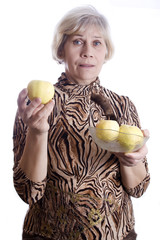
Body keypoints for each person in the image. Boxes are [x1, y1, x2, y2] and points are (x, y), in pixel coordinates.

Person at [13, 5, 150, 240]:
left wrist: (131, 159)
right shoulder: (37, 106)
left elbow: (138, 188)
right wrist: (37, 131)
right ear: (61, 49)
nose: (88, 51)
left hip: (117, 234)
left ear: (106, 51)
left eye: (97, 42)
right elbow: (29, 192)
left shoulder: (122, 105)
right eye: (77, 41)